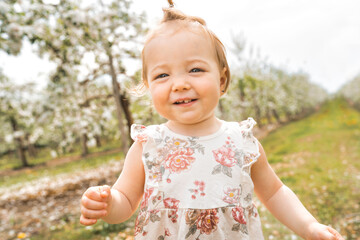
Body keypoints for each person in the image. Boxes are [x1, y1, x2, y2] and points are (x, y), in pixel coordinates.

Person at [80, 1, 344, 239]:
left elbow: (275, 193)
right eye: (162, 76)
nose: (180, 84)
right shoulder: (148, 145)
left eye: (195, 70)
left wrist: (308, 226)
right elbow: (125, 201)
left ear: (220, 79)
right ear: (148, 86)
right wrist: (107, 204)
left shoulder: (242, 141)